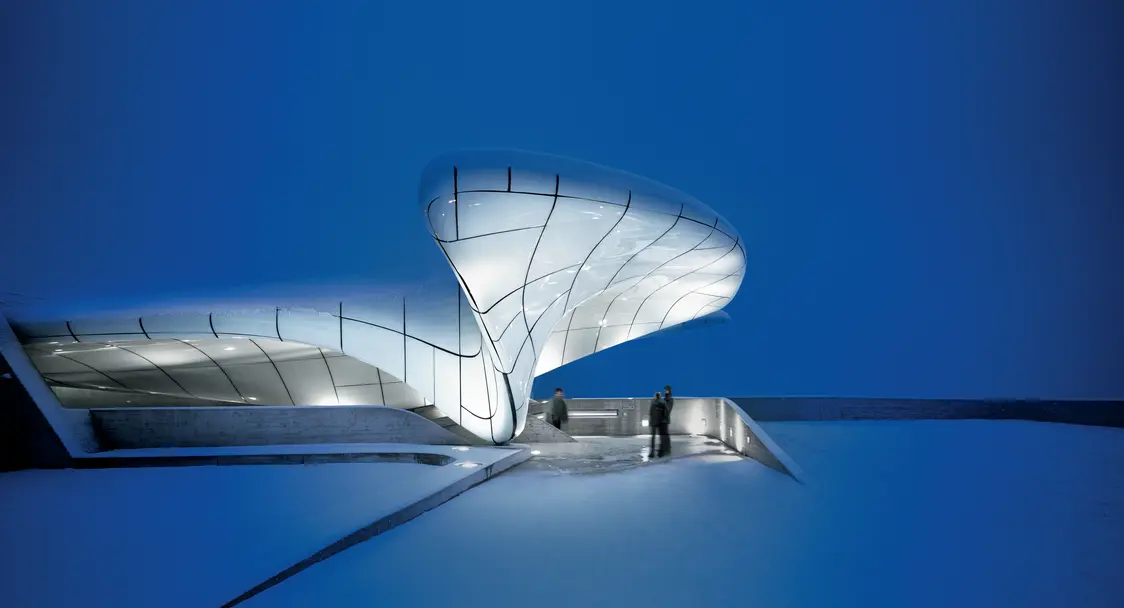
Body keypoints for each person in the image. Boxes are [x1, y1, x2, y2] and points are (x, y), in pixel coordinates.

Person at [649, 390, 670, 458]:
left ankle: (652, 452)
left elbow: (650, 413)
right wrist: (665, 419)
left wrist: (651, 421)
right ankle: (660, 452)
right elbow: (666, 412)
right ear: (660, 396)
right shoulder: (662, 402)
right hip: (660, 422)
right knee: (661, 437)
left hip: (654, 422)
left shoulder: (653, 403)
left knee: (653, 437)